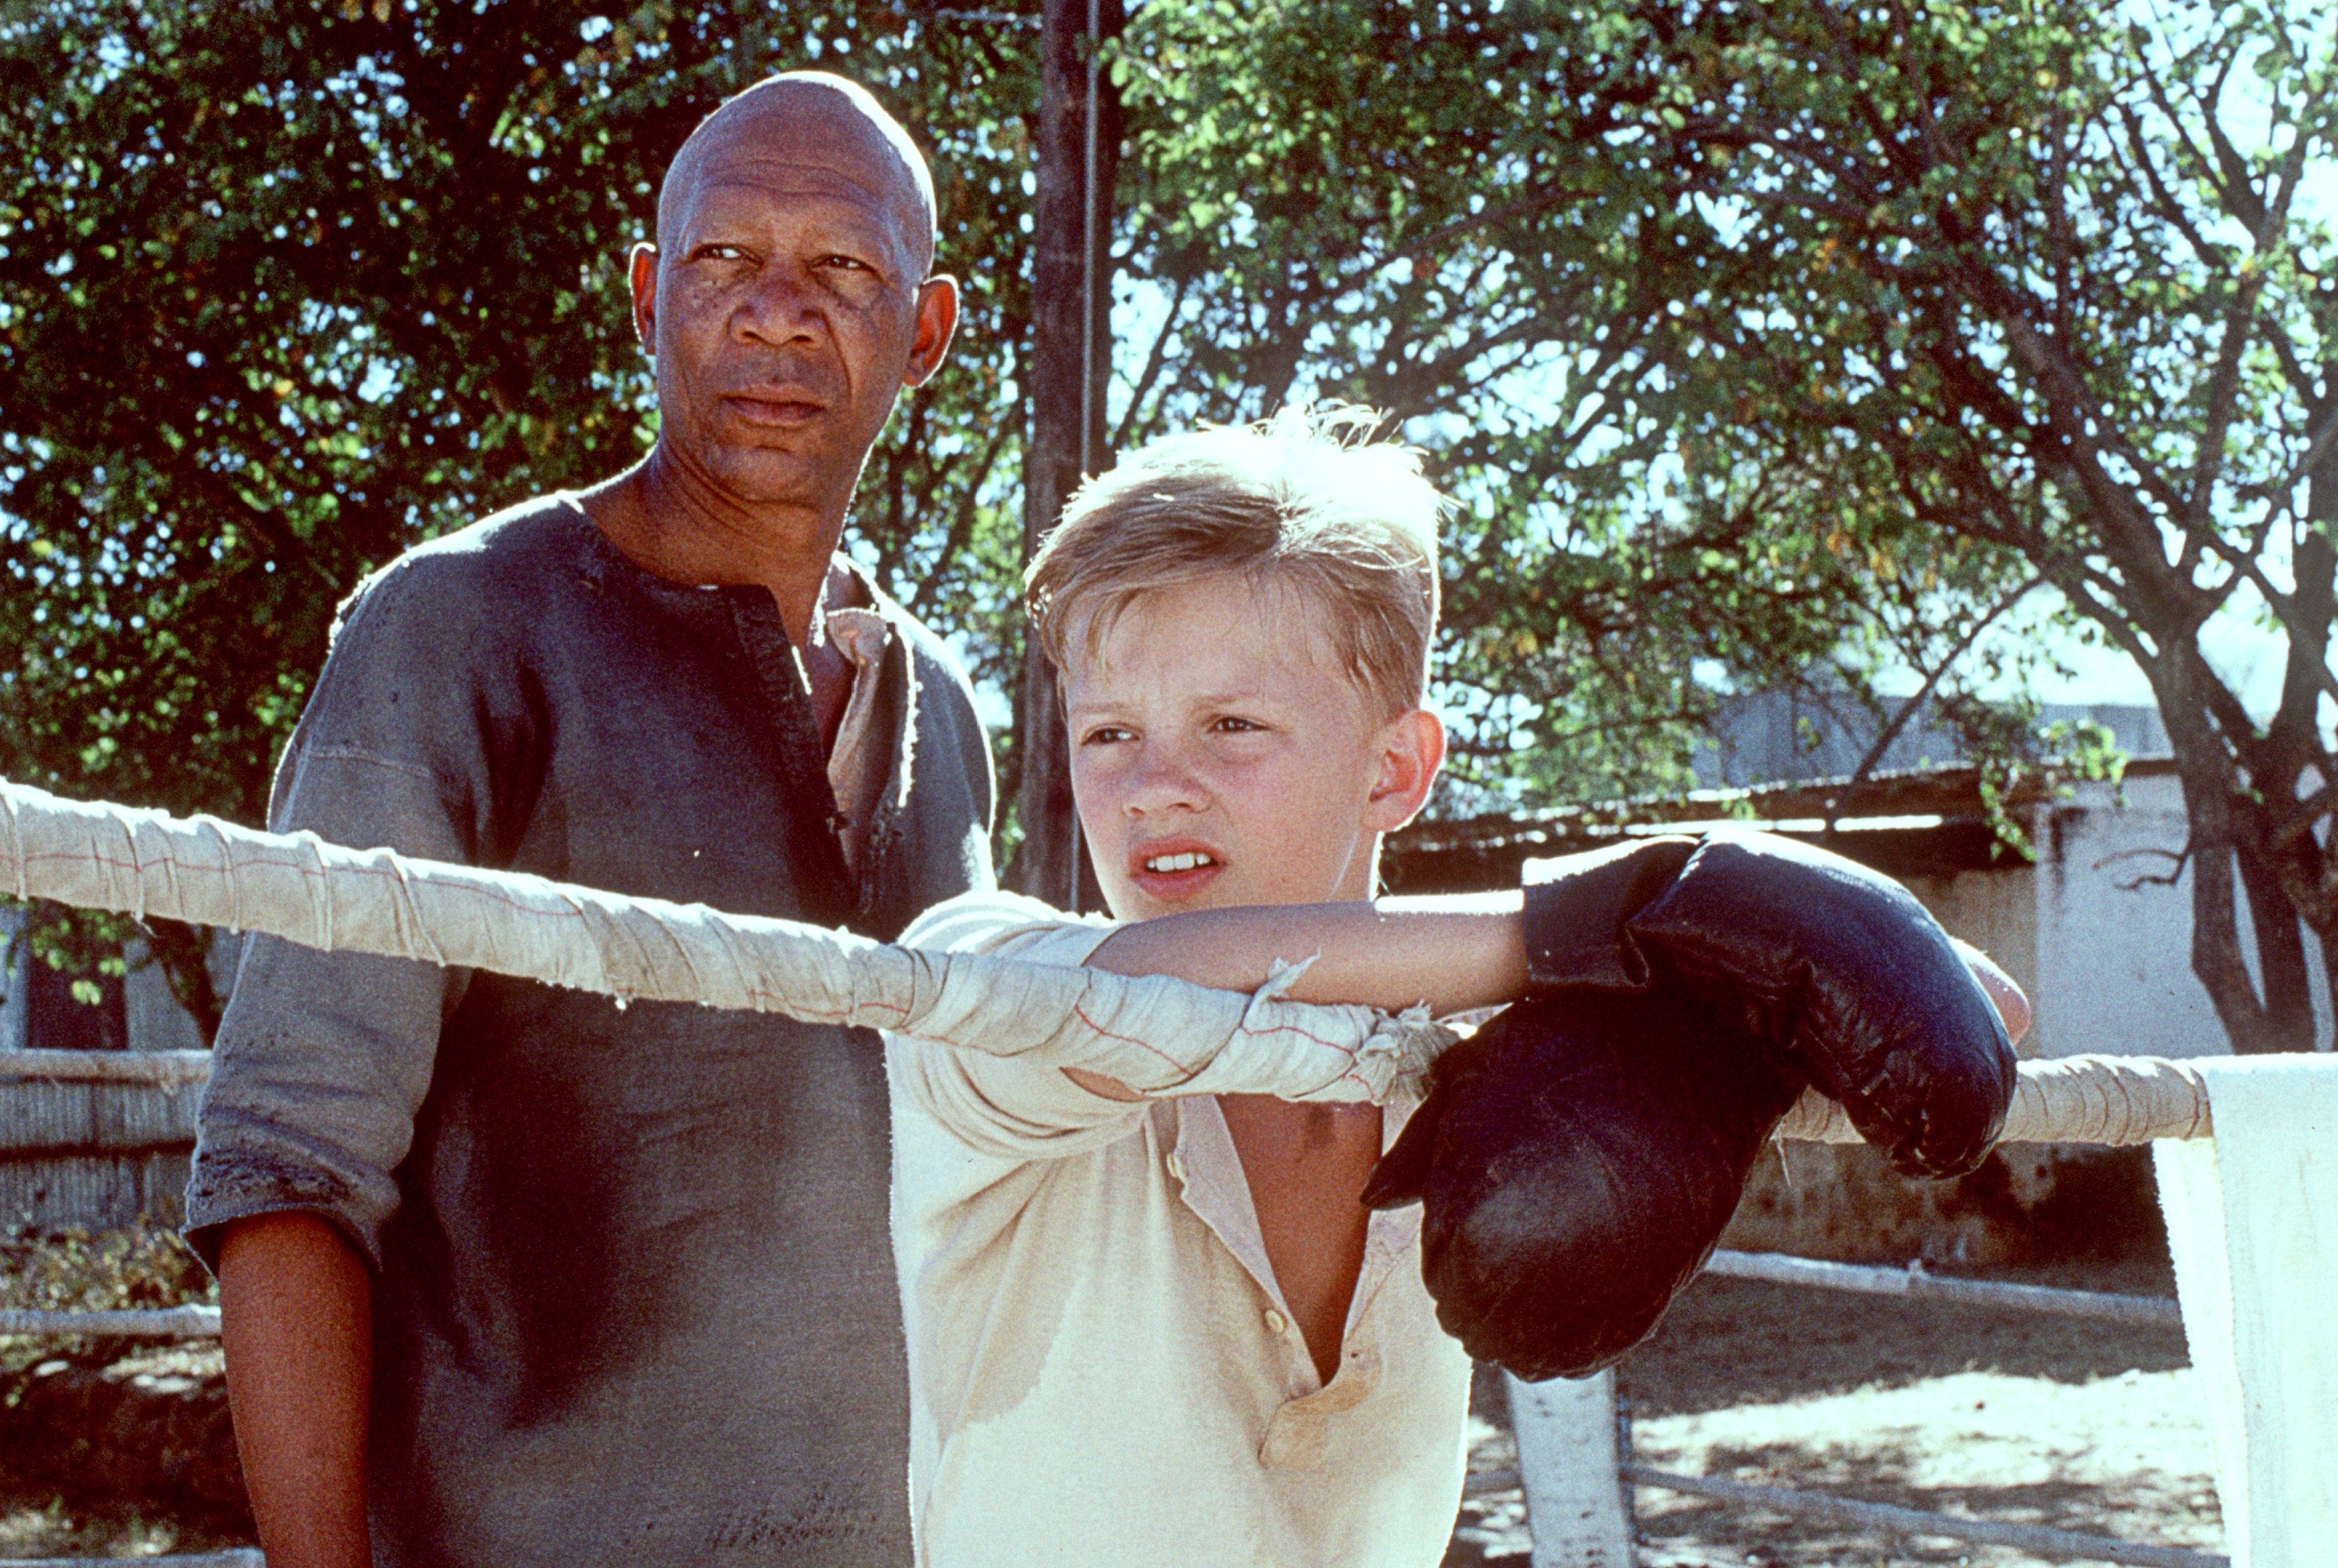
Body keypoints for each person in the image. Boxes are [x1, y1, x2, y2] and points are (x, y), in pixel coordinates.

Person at [883, 407, 2032, 1567]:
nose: (1154, 787)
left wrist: (1706, 933)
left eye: (1232, 725)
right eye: (1110, 733)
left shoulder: (1472, 1060)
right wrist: (1607, 923)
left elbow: (1969, 1010)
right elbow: (1121, 998)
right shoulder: (981, 982)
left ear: (1395, 769)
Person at [184, 73, 990, 1568]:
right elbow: (286, 1168)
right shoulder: (456, 633)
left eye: (843, 267)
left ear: (925, 331)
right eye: (723, 259)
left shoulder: (943, 711)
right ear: (645, 299)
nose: (778, 313)